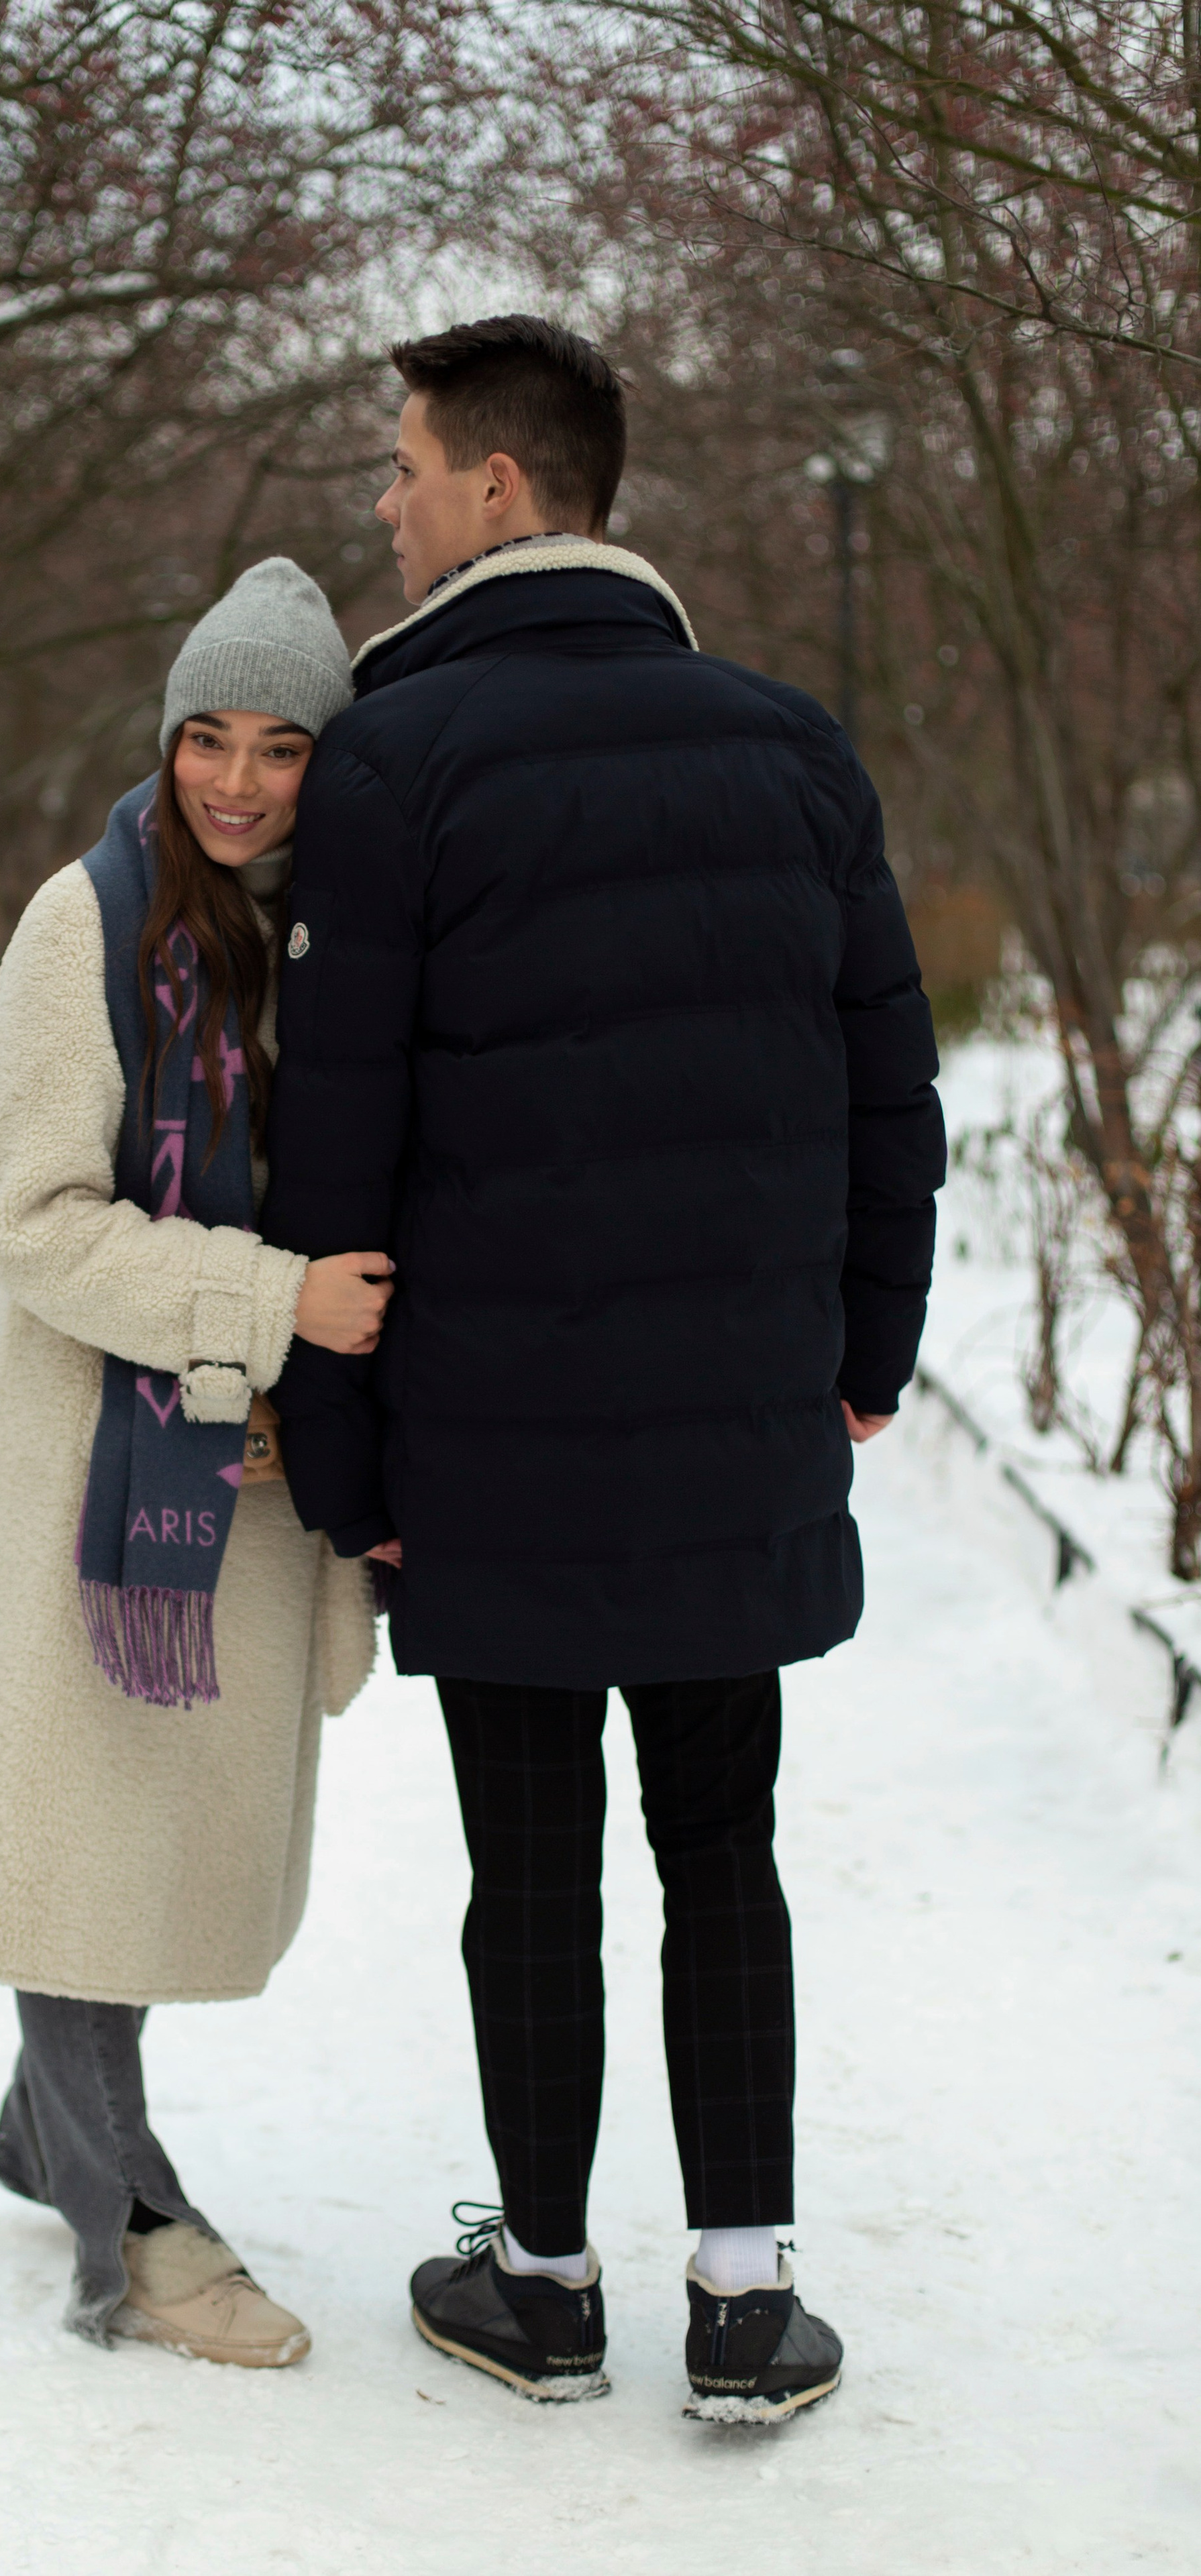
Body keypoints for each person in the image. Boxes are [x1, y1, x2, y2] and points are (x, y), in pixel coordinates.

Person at [261, 316, 946, 2417]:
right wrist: (865, 1355)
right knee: (725, 1844)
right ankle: (744, 2297)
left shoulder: (395, 760)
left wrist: (345, 1455)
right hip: (733, 1416)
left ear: (499, 488)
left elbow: (337, 1147)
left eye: (400, 468)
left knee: (531, 1863)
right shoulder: (791, 742)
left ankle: (543, 2282)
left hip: (492, 1436)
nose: (382, 505)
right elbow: (886, 1085)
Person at [0, 557, 394, 2369]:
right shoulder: (92, 922)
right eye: (207, 736)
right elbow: (33, 1223)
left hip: (256, 1466)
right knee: (83, 1845)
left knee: (136, 1849)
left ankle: (40, 2125)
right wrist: (273, 1299)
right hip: (99, 1461)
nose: (235, 780)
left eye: (281, 747)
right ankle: (130, 2218)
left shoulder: (337, 933)